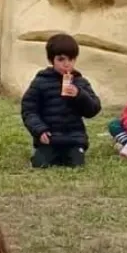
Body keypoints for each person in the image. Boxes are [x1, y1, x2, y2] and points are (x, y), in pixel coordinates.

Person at [20, 33, 103, 168]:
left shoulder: (80, 82)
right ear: (51, 60)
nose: (66, 64)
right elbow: (29, 109)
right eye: (61, 59)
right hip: (50, 138)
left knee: (77, 164)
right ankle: (44, 153)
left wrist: (79, 94)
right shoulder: (41, 82)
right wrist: (39, 130)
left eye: (71, 59)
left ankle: (74, 152)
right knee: (40, 163)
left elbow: (93, 109)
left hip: (74, 139)